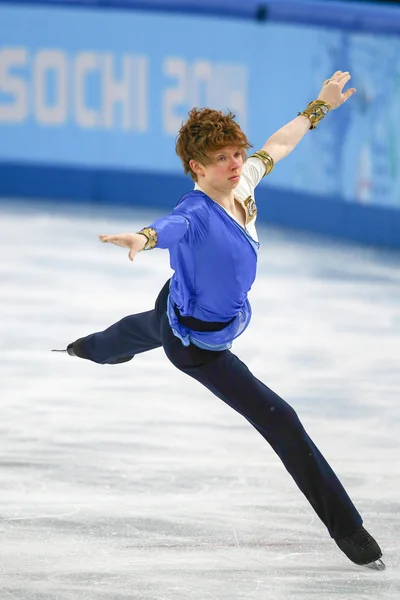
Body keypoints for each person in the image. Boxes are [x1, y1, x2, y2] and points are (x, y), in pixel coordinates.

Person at [56, 70, 385, 570]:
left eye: (237, 153)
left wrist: (321, 106)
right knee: (281, 419)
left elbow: (279, 143)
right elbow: (169, 229)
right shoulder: (195, 213)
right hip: (198, 345)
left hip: (183, 303)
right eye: (221, 158)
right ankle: (351, 532)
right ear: (196, 166)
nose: (235, 164)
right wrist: (141, 239)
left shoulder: (244, 180)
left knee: (144, 326)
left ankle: (91, 348)